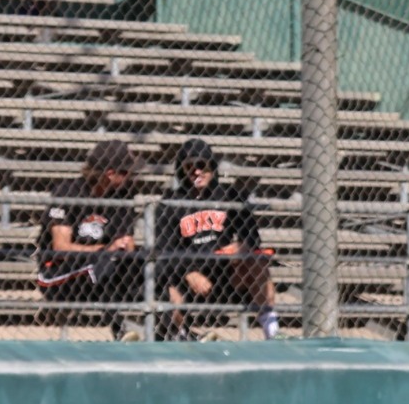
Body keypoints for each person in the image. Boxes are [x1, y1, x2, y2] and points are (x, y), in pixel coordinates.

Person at [154, 139, 279, 342]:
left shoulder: (230, 197)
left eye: (202, 165)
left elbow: (253, 238)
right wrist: (188, 273)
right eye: (190, 166)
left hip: (224, 273)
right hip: (188, 276)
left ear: (212, 167)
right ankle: (181, 335)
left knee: (257, 264)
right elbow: (163, 250)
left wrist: (242, 247)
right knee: (169, 290)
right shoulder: (170, 203)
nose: (197, 171)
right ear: (181, 170)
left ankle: (272, 331)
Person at [35, 139, 144, 340]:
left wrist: (126, 252)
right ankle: (120, 330)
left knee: (148, 263)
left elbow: (126, 242)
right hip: (58, 273)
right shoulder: (68, 192)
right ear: (110, 174)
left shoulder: (122, 197)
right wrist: (105, 250)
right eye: (126, 172)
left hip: (101, 272)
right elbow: (61, 248)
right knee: (103, 262)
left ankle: (175, 331)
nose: (132, 177)